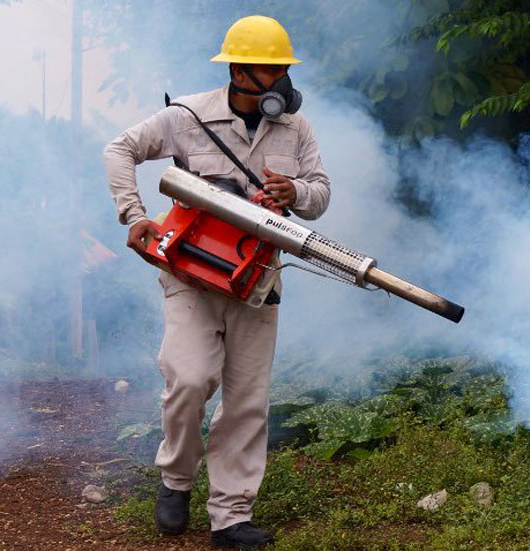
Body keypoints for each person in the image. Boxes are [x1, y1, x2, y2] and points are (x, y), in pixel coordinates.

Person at [102, 15, 330, 549]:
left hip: (258, 278)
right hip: (192, 274)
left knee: (248, 398)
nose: (279, 80)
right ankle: (176, 477)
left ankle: (230, 517)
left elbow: (320, 193)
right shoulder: (185, 117)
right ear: (238, 71)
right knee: (188, 378)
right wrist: (134, 215)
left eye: (282, 69)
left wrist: (293, 192)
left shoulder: (297, 129)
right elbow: (119, 149)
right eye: (268, 69)